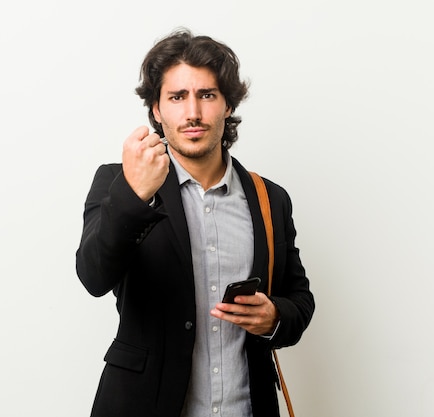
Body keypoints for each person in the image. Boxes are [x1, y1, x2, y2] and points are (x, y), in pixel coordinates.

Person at [75, 27, 315, 417]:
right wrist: (135, 196)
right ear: (156, 109)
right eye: (177, 97)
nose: (193, 113)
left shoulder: (270, 199)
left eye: (207, 95)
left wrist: (274, 317)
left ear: (228, 105)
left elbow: (299, 299)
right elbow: (93, 276)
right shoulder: (119, 183)